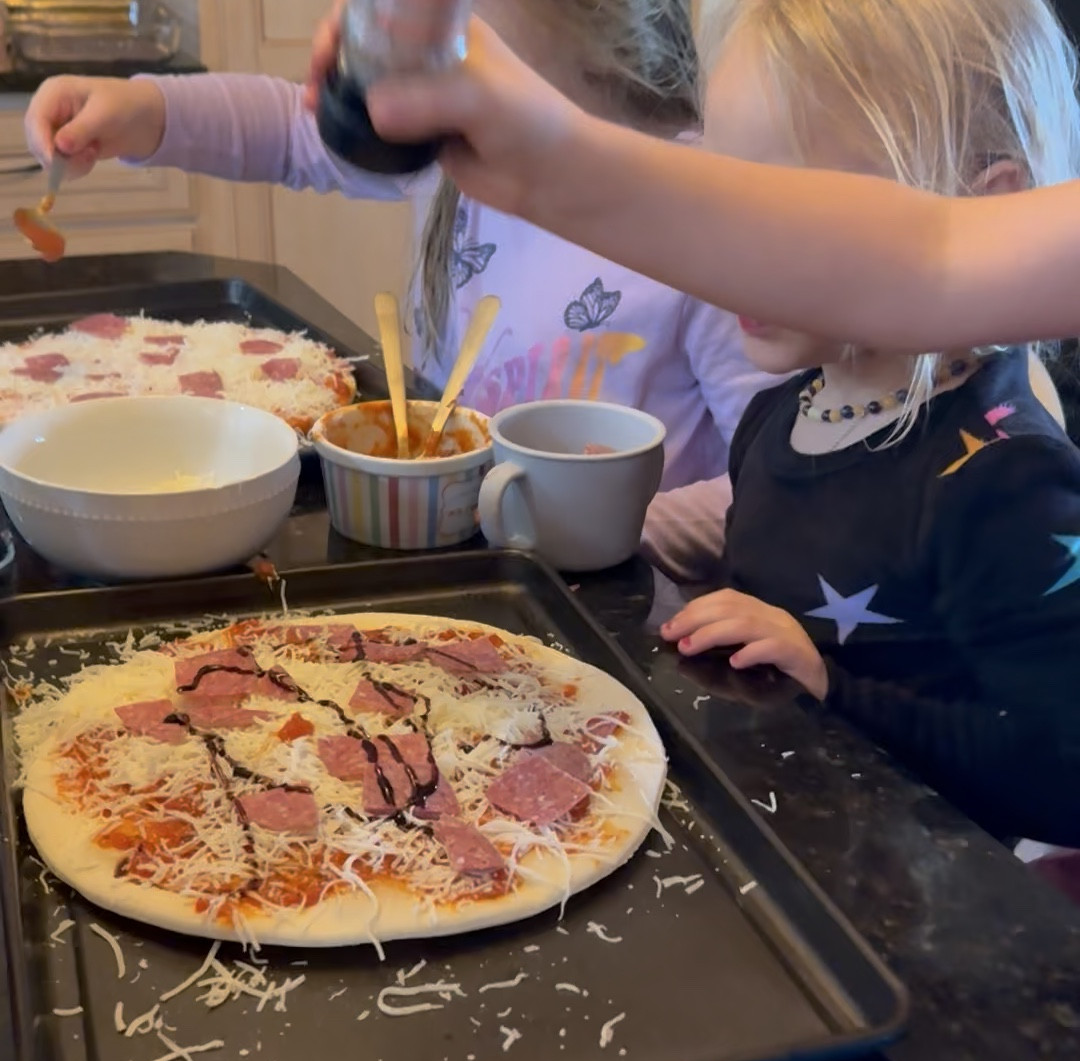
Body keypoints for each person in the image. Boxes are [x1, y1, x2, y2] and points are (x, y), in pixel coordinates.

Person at [24, 0, 775, 495]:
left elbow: (774, 473)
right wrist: (148, 110)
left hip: (624, 611)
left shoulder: (704, 221)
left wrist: (620, 534)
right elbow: (294, 131)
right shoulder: (461, 145)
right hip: (466, 545)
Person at [651, 0, 1080, 848]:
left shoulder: (1003, 477)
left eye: (792, 210)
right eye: (726, 201)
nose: (732, 254)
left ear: (982, 212)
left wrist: (832, 689)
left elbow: (1061, 775)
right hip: (779, 846)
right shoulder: (784, 413)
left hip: (909, 934)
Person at [318, 12, 1080, 354]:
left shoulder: (1001, 476)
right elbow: (936, 257)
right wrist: (552, 158)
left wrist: (557, 159)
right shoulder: (795, 420)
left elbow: (936, 259)